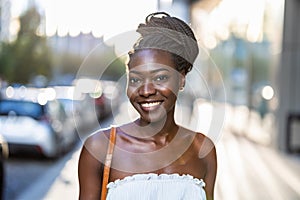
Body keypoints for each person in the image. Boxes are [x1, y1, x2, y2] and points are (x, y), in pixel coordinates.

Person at [78, 12, 217, 200]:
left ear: (181, 79)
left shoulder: (203, 150)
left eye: (160, 77)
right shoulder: (100, 148)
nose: (145, 91)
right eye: (135, 79)